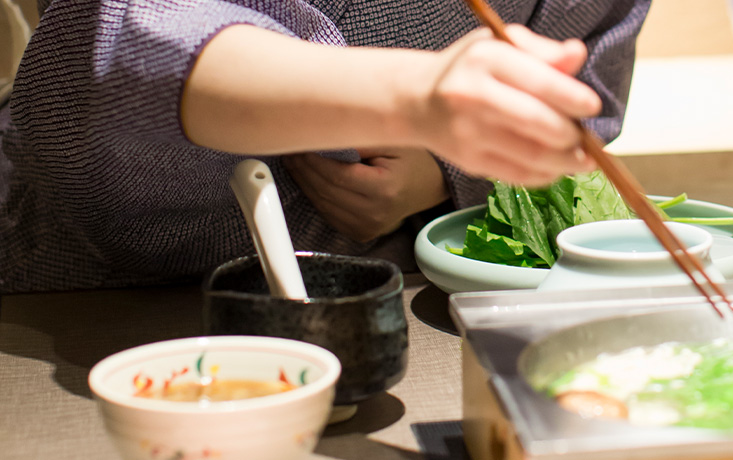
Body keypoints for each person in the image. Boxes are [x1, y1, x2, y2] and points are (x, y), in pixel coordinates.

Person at [0, 0, 651, 294]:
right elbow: (111, 52)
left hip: (402, 295)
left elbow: (586, 106)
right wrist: (416, 99)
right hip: (101, 294)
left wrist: (443, 169)